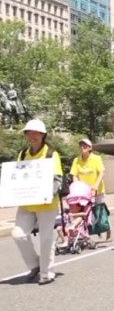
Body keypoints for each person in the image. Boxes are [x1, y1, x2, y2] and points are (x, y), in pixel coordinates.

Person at [11, 119, 63, 285]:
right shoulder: (22, 154)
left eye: (35, 133)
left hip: (46, 204)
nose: (32, 136)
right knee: (18, 234)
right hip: (27, 203)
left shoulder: (51, 154)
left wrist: (46, 194)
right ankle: (35, 265)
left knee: (46, 239)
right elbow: (17, 177)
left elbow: (57, 180)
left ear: (43, 135)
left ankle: (46, 273)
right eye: (29, 133)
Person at [70, 138, 111, 241]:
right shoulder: (77, 160)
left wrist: (96, 185)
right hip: (83, 192)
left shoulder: (96, 159)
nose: (83, 147)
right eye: (81, 145)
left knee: (100, 211)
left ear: (90, 148)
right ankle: (86, 233)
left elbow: (101, 172)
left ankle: (108, 231)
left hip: (96, 190)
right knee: (85, 212)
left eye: (85, 146)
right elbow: (74, 175)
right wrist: (75, 187)